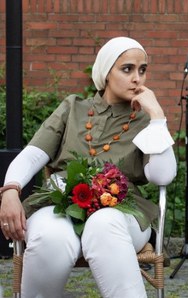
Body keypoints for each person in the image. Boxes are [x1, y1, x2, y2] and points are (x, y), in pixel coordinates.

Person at [0, 37, 177, 297]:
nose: (137, 78)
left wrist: (158, 118)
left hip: (123, 212)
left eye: (142, 69)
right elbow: (31, 156)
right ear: (106, 73)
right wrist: (11, 191)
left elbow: (163, 175)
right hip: (61, 203)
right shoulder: (73, 109)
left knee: (103, 224)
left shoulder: (145, 120)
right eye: (127, 69)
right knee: (50, 237)